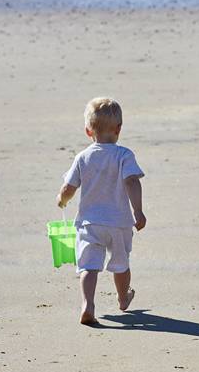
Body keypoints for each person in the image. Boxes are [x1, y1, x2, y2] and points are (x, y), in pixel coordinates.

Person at [57, 97, 146, 325]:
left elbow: (69, 187)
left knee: (89, 265)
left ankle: (88, 303)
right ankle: (123, 297)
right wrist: (138, 211)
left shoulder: (83, 157)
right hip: (119, 223)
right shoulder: (124, 155)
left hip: (90, 223)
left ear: (88, 131)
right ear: (118, 129)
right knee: (121, 263)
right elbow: (132, 182)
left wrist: (62, 199)